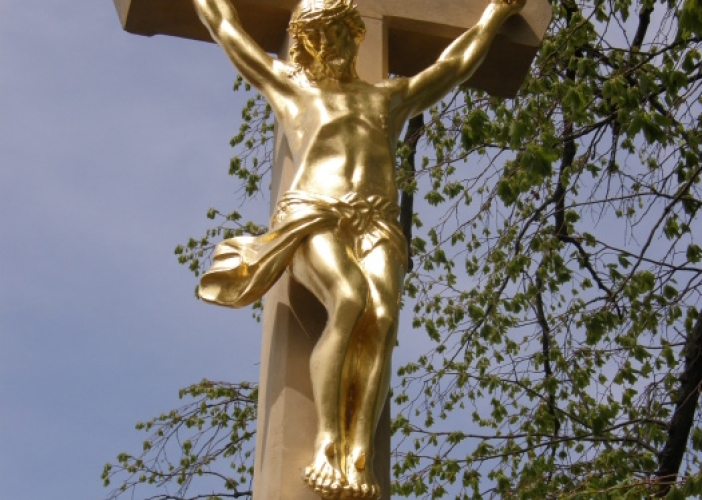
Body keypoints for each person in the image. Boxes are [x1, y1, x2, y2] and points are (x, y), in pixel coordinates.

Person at [192, 0, 526, 498]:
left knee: (383, 318)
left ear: (355, 34)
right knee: (349, 298)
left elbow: (453, 65)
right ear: (307, 42)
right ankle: (328, 440)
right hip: (314, 215)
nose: (332, 45)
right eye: (321, 36)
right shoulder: (293, 89)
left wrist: (495, 14)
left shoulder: (387, 99)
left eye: (339, 33)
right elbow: (227, 29)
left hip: (376, 220)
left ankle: (359, 449)